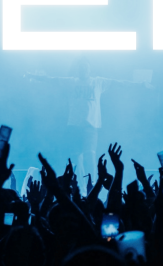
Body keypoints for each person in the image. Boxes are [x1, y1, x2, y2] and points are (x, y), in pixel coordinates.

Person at [26, 56, 152, 188]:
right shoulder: (71, 82)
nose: (83, 70)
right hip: (74, 126)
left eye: (86, 67)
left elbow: (118, 83)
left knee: (90, 156)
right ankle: (77, 185)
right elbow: (52, 80)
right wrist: (35, 77)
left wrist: (140, 84)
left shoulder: (97, 82)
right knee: (76, 159)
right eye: (81, 68)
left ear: (90, 70)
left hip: (90, 127)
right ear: (78, 70)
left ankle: (91, 184)